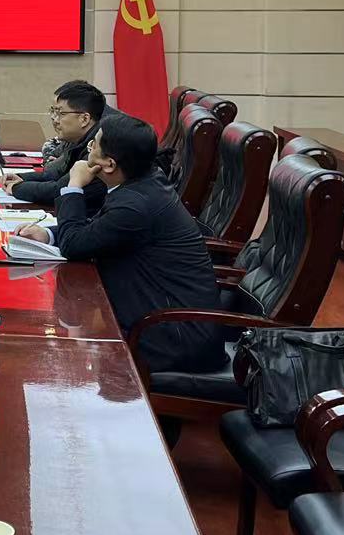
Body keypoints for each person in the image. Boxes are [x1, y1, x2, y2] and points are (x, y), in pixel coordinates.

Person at [33, 114, 225, 376]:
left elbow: (74, 246)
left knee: (60, 357)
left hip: (173, 339)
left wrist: (74, 185)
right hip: (166, 322)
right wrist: (47, 234)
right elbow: (100, 229)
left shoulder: (134, 205)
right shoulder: (145, 183)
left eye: (93, 145)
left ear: (109, 164)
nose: (89, 149)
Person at [7, 81, 110, 213]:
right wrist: (22, 178)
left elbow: (59, 190)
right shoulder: (80, 140)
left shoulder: (98, 148)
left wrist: (16, 188)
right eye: (53, 112)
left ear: (84, 119)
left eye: (61, 113)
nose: (55, 120)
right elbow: (56, 174)